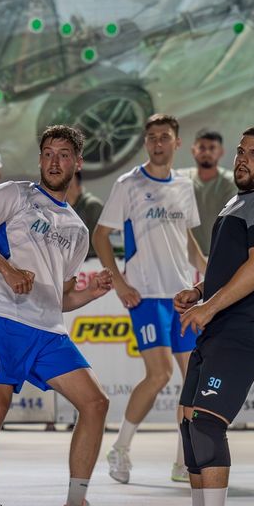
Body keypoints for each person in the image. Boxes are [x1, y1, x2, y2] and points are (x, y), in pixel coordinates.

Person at [0, 125, 115, 506]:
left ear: (77, 163)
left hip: (47, 328)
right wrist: (7, 269)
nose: (54, 161)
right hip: (1, 317)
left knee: (96, 404)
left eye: (64, 154)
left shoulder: (78, 231)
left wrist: (89, 293)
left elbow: (60, 298)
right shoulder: (14, 193)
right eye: (48, 153)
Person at [161, 126, 254, 506]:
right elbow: (230, 266)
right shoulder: (240, 201)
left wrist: (209, 306)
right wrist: (199, 291)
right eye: (240, 151)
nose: (242, 159)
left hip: (246, 328)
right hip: (222, 324)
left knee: (207, 424)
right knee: (188, 421)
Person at [93, 114, 206, 485]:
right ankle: (120, 448)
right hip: (146, 295)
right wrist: (121, 283)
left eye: (165, 137)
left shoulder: (184, 185)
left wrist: (205, 267)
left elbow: (185, 239)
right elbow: (100, 235)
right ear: (146, 143)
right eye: (152, 137)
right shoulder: (128, 184)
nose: (158, 143)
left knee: (193, 380)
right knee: (159, 374)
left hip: (182, 297)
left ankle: (184, 461)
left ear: (177, 143)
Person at [178, 130, 237, 257]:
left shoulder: (232, 182)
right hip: (185, 258)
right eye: (202, 148)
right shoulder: (179, 179)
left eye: (212, 148)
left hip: (221, 256)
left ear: (221, 152)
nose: (207, 152)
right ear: (193, 150)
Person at [66, 171, 103, 259]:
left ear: (79, 188)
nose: (64, 191)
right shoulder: (60, 210)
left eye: (69, 187)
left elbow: (96, 245)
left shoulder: (92, 206)